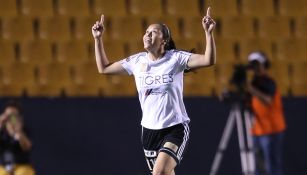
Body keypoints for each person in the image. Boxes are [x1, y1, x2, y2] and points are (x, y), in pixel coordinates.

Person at [92, 7, 216, 174]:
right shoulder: (137, 61)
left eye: (154, 32)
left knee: (160, 172)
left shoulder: (176, 58)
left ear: (164, 40)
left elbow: (208, 59)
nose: (147, 35)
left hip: (175, 127)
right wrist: (98, 39)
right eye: (146, 31)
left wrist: (208, 33)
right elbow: (104, 68)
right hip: (149, 131)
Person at [246, 51, 286, 175]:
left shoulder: (269, 82)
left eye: (257, 64)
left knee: (272, 167)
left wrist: (251, 89)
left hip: (271, 129)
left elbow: (268, 100)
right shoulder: (253, 83)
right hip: (257, 129)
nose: (256, 69)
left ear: (264, 65)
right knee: (259, 168)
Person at [0, 100, 35, 175]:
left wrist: (18, 131)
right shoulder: (2, 131)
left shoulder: (25, 130)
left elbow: (27, 147)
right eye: (7, 115)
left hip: (21, 166)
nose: (10, 118)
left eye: (13, 116)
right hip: (3, 166)